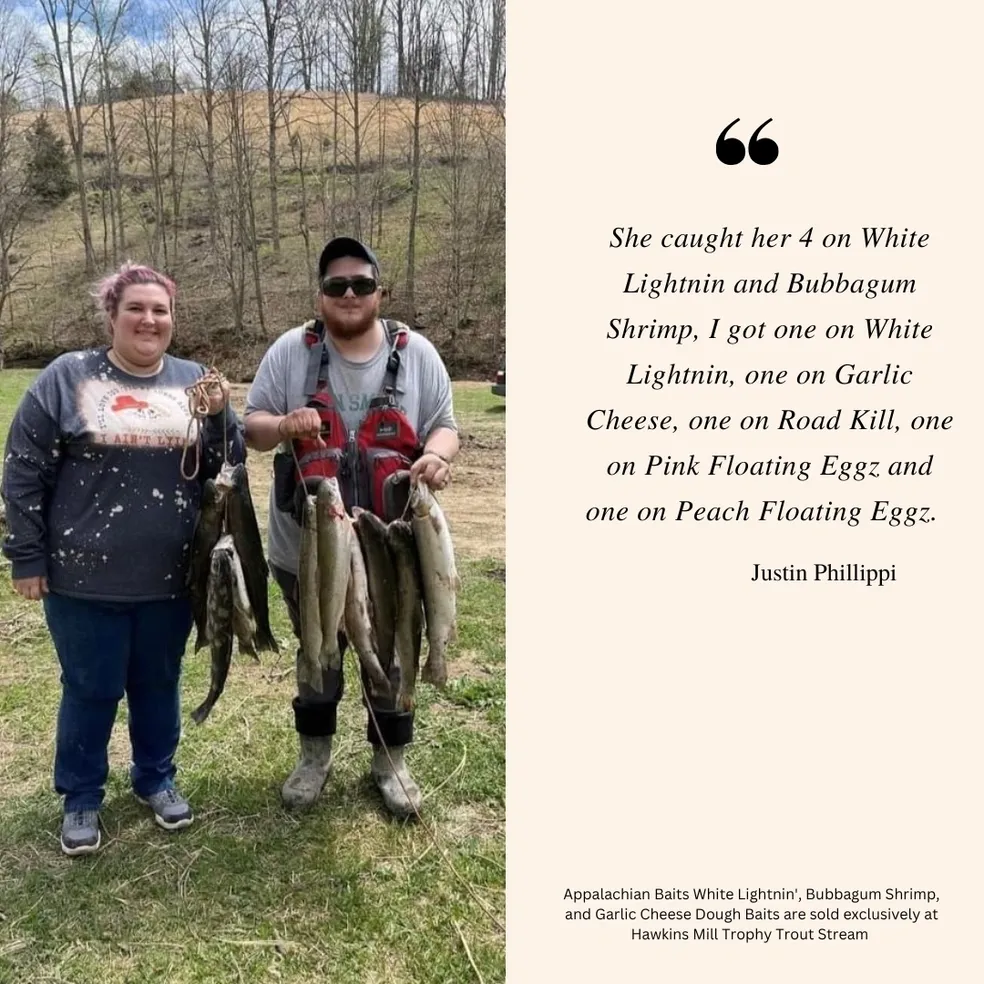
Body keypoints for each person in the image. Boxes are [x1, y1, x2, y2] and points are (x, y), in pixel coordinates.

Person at [0, 261, 246, 857]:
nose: (149, 319)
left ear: (172, 320)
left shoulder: (194, 379)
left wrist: (220, 415)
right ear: (111, 315)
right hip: (83, 580)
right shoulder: (68, 377)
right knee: (90, 688)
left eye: (160, 310)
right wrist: (25, 556)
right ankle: (82, 796)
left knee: (158, 683)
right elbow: (23, 472)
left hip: (173, 579)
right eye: (135, 307)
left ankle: (156, 779)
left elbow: (229, 466)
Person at [244, 236, 459, 818]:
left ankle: (391, 763)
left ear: (379, 292)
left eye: (361, 284)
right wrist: (284, 423)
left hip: (395, 551)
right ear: (320, 296)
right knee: (318, 650)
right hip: (308, 548)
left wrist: (438, 455)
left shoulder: (418, 354)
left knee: (390, 651)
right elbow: (253, 428)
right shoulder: (290, 351)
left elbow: (445, 425)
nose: (349, 294)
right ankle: (314, 757)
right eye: (336, 285)